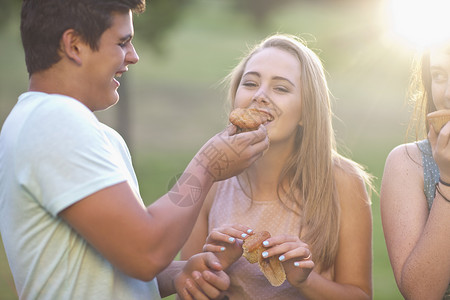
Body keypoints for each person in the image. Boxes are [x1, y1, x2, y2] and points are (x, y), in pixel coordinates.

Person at [0, 1, 269, 299]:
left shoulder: (82, 130)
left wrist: (180, 273)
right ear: (74, 45)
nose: (133, 56)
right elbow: (146, 253)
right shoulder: (52, 121)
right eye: (122, 42)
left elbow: (122, 257)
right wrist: (207, 167)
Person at [180, 34, 374, 299]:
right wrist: (213, 267)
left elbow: (360, 294)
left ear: (307, 111)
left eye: (280, 88)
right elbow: (186, 291)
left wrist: (304, 281)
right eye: (250, 83)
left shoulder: (342, 181)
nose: (260, 96)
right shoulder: (211, 176)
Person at [380, 41, 450, 299]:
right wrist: (449, 179)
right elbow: (421, 293)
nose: (447, 93)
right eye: (439, 76)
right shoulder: (409, 163)